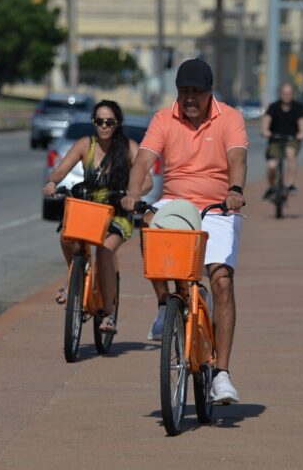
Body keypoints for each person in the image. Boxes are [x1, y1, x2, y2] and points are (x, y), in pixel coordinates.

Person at [121, 58, 248, 404]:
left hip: (220, 207)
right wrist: (134, 194)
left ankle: (221, 373)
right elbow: (143, 161)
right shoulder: (164, 118)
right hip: (176, 204)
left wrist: (235, 191)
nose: (189, 98)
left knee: (221, 279)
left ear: (210, 92)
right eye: (183, 92)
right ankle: (166, 304)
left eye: (196, 92)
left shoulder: (230, 118)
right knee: (149, 223)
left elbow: (238, 160)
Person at [43, 100, 151, 334]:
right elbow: (62, 170)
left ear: (117, 123)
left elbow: (148, 181)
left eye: (109, 122)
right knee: (66, 237)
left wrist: (132, 196)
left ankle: (110, 314)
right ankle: (74, 281)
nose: (104, 126)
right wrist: (52, 182)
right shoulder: (85, 144)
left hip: (117, 213)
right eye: (99, 121)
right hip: (90, 210)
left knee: (104, 250)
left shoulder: (129, 147)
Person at [261, 83, 303, 199]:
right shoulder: (273, 107)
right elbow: (266, 121)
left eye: (289, 93)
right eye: (285, 93)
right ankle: (271, 187)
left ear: (293, 94)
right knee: (272, 165)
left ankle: (290, 184)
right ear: (280, 94)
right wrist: (265, 131)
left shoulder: (298, 107)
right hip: (275, 139)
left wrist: (301, 133)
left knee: (290, 153)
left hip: (292, 139)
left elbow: (302, 122)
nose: (287, 96)